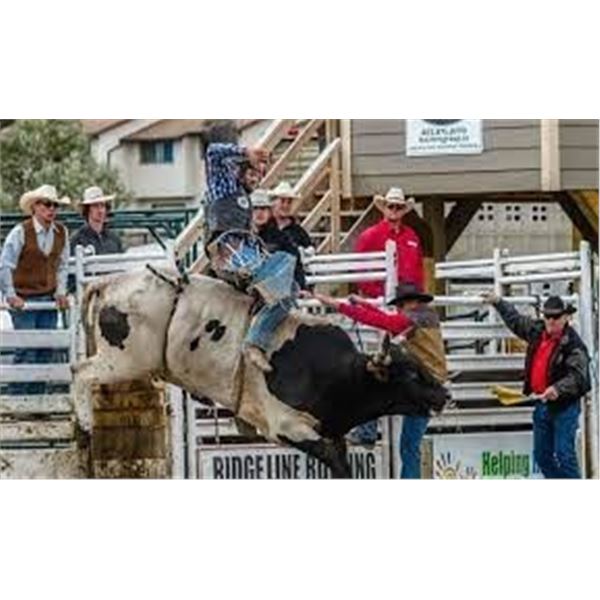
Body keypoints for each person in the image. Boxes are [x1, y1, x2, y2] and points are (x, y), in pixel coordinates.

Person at [310, 282, 448, 478]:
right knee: (409, 444)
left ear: (411, 303)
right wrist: (363, 303)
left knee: (372, 386)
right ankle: (368, 434)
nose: (399, 309)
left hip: (422, 385)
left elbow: (381, 321)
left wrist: (335, 304)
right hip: (427, 382)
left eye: (401, 305)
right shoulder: (424, 316)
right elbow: (386, 319)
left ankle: (366, 432)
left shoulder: (411, 319)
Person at [202, 136, 298, 373]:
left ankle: (253, 335)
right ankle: (254, 343)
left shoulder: (243, 197)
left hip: (241, 253)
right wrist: (246, 151)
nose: (256, 177)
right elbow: (213, 151)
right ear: (242, 168)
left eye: (260, 174)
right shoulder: (224, 186)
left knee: (291, 289)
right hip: (228, 251)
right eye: (253, 171)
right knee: (285, 262)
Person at [482, 293, 590, 479]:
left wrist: (557, 389)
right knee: (542, 457)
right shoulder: (537, 331)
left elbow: (579, 377)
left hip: (564, 407)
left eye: (556, 316)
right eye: (547, 316)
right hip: (543, 403)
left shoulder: (574, 345)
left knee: (564, 455)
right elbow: (515, 321)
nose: (551, 320)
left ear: (566, 317)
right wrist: (499, 302)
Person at [0, 184, 71, 394]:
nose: (52, 210)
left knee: (45, 349)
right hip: (25, 299)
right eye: (47, 205)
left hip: (48, 298)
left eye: (55, 205)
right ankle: (18, 399)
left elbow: (63, 265)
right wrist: (11, 295)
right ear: (35, 207)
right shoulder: (20, 232)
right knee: (26, 349)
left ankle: (37, 399)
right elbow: (5, 264)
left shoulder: (61, 232)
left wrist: (60, 291)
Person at [355, 187, 424, 298]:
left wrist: (418, 293)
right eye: (391, 206)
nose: (394, 209)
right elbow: (360, 270)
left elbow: (419, 268)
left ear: (404, 210)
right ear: (384, 208)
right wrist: (377, 293)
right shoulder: (369, 236)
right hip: (379, 298)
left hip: (409, 298)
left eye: (399, 206)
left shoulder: (412, 236)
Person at [251, 189, 307, 290]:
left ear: (269, 211)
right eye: (255, 208)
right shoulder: (241, 236)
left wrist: (301, 288)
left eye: (263, 208)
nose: (259, 212)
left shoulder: (280, 237)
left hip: (274, 288)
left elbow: (295, 263)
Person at [70, 186, 123, 255]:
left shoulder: (114, 238)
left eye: (102, 205)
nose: (100, 210)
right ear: (87, 209)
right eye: (95, 206)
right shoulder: (77, 239)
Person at [269, 181, 314, 253]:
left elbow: (309, 250)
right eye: (282, 201)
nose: (285, 205)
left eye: (289, 202)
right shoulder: (266, 228)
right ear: (273, 202)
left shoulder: (298, 232)